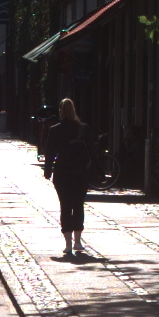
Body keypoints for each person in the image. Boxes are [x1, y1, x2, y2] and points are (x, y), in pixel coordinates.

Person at [42, 97, 93, 257]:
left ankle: (68, 244)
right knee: (78, 205)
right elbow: (93, 151)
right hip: (80, 173)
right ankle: (78, 241)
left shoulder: (55, 130)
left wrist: (48, 171)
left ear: (60, 111)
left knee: (65, 206)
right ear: (73, 110)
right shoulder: (83, 129)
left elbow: (49, 152)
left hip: (62, 172)